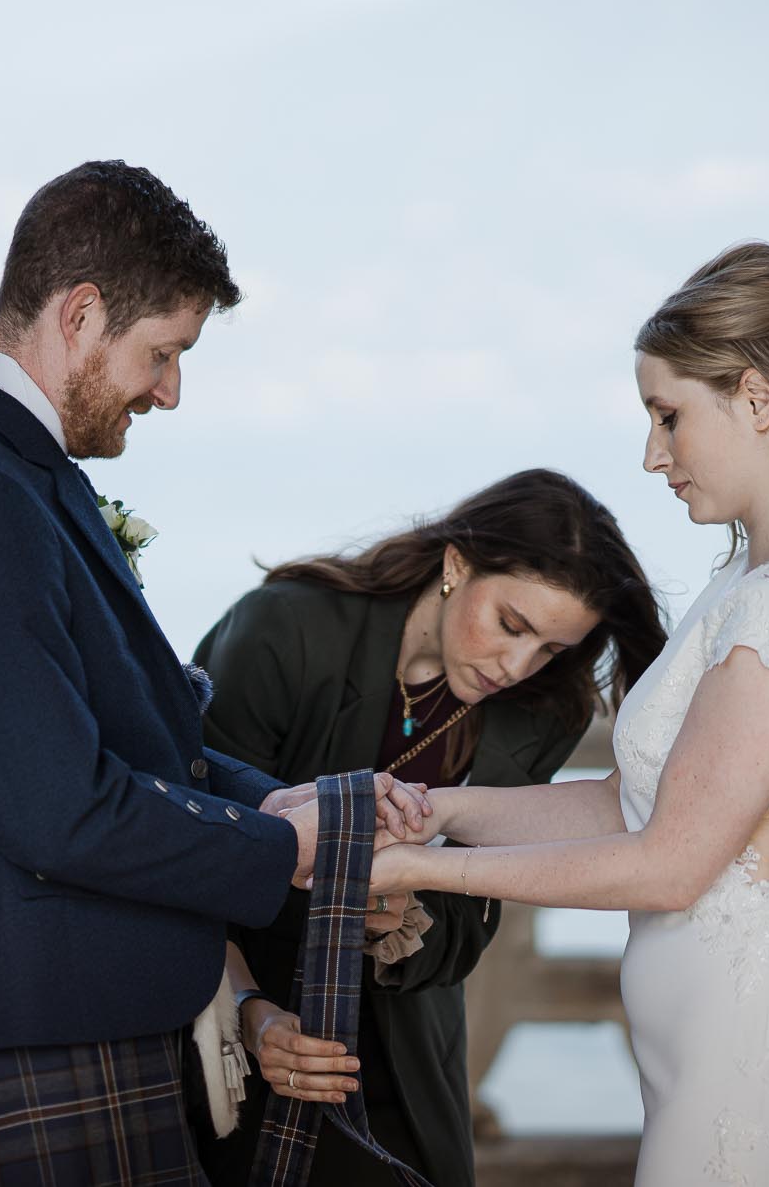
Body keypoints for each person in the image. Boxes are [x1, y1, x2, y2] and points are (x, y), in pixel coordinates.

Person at [0, 160, 427, 1185]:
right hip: (25, 1058)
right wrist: (279, 846)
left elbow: (138, 745)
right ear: (79, 314)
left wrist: (304, 807)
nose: (169, 390)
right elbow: (58, 811)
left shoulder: (14, 476)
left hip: (76, 1028)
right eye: (163, 352)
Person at [369, 244, 769, 1186]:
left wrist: (411, 869)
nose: (653, 454)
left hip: (758, 1076)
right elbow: (631, 802)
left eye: (669, 414)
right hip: (730, 1056)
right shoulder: (766, 581)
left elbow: (670, 863)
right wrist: (436, 810)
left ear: (759, 399)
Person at [193, 470, 666, 1186]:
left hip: (403, 1042)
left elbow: (473, 921)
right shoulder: (282, 630)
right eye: (512, 624)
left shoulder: (545, 712)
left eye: (552, 649)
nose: (519, 665)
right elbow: (192, 846)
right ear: (457, 564)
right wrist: (253, 1012)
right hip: (241, 1011)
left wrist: (399, 919)